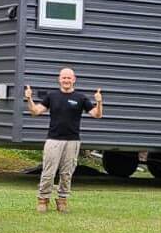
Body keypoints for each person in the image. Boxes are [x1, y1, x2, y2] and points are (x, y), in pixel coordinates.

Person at [24, 69, 103, 213]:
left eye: (69, 78)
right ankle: (43, 199)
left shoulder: (80, 98)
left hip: (72, 141)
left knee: (67, 173)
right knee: (48, 172)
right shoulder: (52, 96)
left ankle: (62, 200)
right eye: (64, 77)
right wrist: (29, 99)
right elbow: (35, 111)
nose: (66, 80)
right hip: (53, 140)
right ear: (59, 79)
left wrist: (99, 102)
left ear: (74, 79)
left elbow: (96, 115)